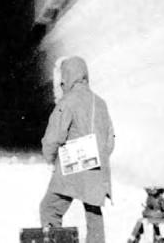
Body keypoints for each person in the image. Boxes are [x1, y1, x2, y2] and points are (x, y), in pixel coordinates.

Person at [40, 56, 115, 243]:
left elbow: (53, 137)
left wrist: (50, 158)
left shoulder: (67, 103)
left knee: (50, 209)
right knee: (94, 215)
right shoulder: (101, 103)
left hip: (71, 168)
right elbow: (110, 141)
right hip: (96, 170)